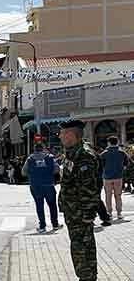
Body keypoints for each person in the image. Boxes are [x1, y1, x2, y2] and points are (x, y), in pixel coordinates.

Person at [58, 120, 99, 281]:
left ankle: (86, 277)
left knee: (80, 246)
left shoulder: (83, 156)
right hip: (73, 210)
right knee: (83, 245)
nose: (60, 136)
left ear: (70, 135)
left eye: (61, 133)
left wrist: (88, 213)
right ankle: (88, 276)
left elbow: (88, 187)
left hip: (80, 212)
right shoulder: (72, 152)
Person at [22, 143, 62, 233]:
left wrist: (33, 173)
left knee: (39, 205)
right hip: (49, 184)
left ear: (34, 149)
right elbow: (57, 169)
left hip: (35, 186)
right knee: (52, 205)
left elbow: (24, 172)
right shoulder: (50, 157)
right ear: (43, 149)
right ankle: (55, 224)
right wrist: (48, 173)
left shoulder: (30, 159)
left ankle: (42, 226)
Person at [100, 136, 130, 220]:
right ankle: (119, 213)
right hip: (118, 176)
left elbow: (100, 164)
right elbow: (127, 163)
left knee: (108, 196)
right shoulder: (122, 152)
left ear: (109, 143)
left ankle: (109, 213)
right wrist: (122, 167)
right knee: (118, 195)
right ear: (117, 142)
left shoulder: (104, 153)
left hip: (107, 177)